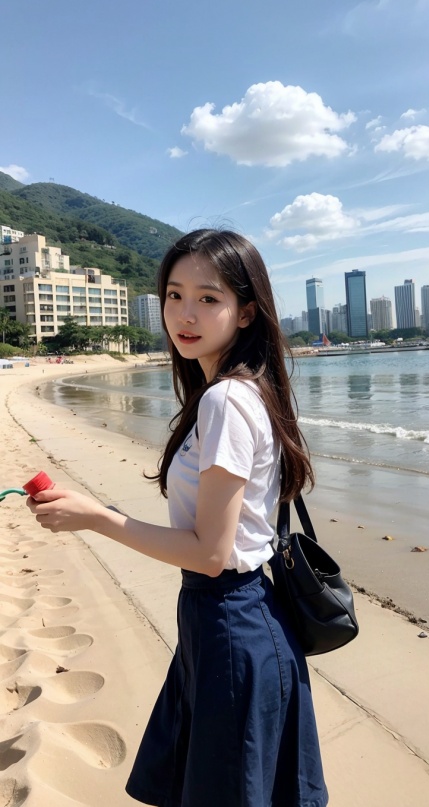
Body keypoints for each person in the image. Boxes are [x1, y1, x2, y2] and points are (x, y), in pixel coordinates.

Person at [27, 228, 329, 807]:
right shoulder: (234, 392)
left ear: (245, 312)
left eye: (209, 298)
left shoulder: (226, 400)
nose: (185, 314)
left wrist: (96, 517)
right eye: (173, 294)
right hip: (226, 621)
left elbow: (211, 554)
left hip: (231, 624)